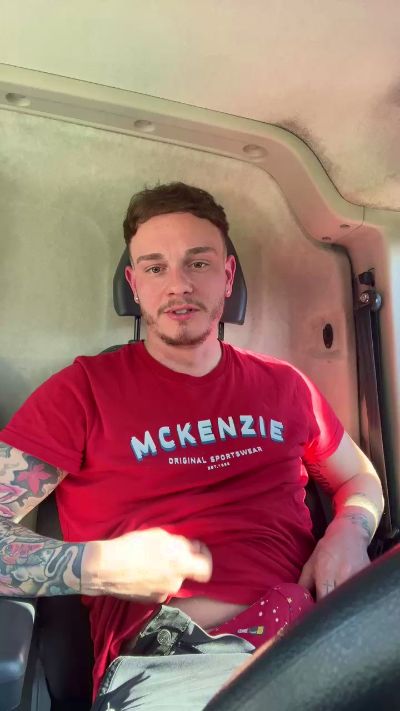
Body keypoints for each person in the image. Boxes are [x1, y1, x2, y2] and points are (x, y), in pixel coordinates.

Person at [0, 182, 384, 710]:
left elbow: (359, 477)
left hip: (321, 634)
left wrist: (348, 532)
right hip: (177, 664)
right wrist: (98, 565)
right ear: (135, 285)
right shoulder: (82, 392)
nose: (178, 284)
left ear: (227, 275)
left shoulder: (285, 385)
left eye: (198, 263)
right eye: (156, 268)